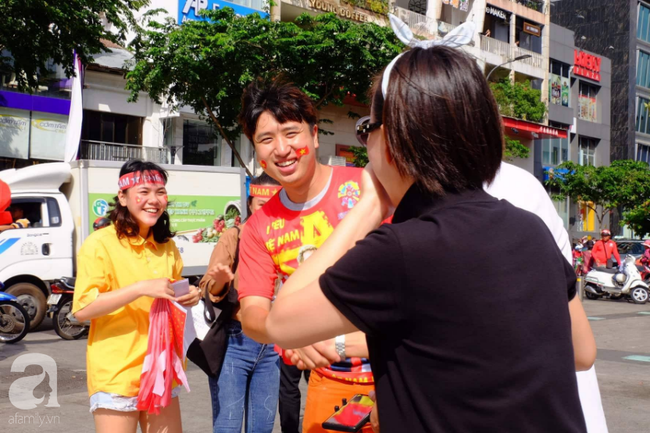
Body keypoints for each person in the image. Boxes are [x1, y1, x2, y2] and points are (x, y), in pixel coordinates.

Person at [265, 30, 595, 432]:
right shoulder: (531, 229)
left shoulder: (402, 250)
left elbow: (280, 321)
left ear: (391, 140)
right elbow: (582, 351)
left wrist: (369, 206)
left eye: (366, 128)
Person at [236, 80, 373, 433]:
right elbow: (252, 313)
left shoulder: (367, 189)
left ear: (314, 135)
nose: (282, 149)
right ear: (257, 151)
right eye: (266, 139)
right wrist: (288, 334)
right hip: (329, 386)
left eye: (291, 133)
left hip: (401, 373)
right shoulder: (258, 227)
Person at [72, 160, 202, 433]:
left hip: (163, 370)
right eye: (143, 192)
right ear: (123, 196)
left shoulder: (167, 247)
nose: (153, 200)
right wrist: (139, 288)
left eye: (160, 192)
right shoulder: (100, 244)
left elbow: (173, 296)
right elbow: (83, 309)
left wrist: (190, 296)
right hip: (117, 372)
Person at [198, 173, 282, 433]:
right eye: (261, 204)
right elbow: (207, 287)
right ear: (249, 204)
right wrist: (221, 281)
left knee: (263, 426)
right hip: (235, 342)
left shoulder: (287, 241)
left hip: (272, 345)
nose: (267, 210)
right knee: (228, 426)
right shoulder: (233, 237)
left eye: (275, 203)